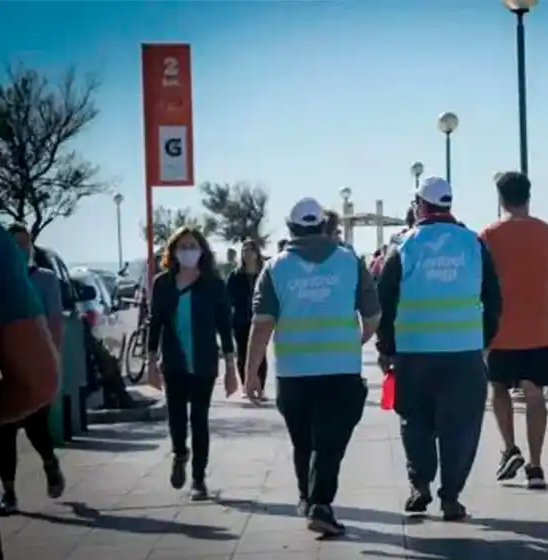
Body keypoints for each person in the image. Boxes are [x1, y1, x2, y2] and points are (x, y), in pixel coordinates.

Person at [244, 197, 380, 536]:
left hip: (293, 374)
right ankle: (319, 504)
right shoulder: (350, 261)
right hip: (340, 370)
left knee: (303, 442)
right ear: (323, 225)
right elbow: (373, 312)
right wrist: (360, 338)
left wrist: (251, 374)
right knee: (329, 443)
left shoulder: (274, 268)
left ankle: (308, 500)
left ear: (290, 229)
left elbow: (261, 325)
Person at [377, 177, 502, 521]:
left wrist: (386, 348)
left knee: (414, 419)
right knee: (461, 426)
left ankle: (420, 485)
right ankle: (451, 497)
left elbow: (385, 300)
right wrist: (483, 339)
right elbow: (494, 299)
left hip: (413, 353)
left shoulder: (403, 245)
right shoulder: (474, 243)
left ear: (420, 205)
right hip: (464, 353)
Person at [479, 172, 548, 489]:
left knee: (499, 389)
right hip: (539, 330)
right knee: (534, 393)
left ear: (501, 199)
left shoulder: (488, 235)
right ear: (528, 196)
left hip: (500, 330)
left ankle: (509, 448)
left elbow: (480, 283)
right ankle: (535, 466)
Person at [146, 227, 238, 501]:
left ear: (202, 251)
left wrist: (232, 367)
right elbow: (156, 323)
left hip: (204, 362)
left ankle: (199, 479)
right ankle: (179, 453)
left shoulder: (213, 284)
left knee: (199, 419)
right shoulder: (163, 283)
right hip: (174, 361)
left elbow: (224, 325)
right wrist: (151, 361)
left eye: (192, 246)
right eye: (182, 246)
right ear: (173, 251)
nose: (187, 251)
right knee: (176, 417)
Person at [0, 224, 66, 516]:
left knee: (36, 426)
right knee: (4, 432)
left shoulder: (44, 280)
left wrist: (52, 360)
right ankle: (9, 492)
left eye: (27, 244)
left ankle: (50, 463)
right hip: (10, 368)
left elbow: (54, 321)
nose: (23, 249)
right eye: (18, 245)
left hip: (34, 364)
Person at [227, 239, 267, 398]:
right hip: (241, 320)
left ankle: (260, 387)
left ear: (257, 253)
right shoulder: (235, 275)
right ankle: (246, 385)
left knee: (260, 353)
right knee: (243, 353)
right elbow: (227, 298)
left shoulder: (263, 273)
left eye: (250, 250)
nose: (247, 253)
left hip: (260, 319)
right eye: (244, 250)